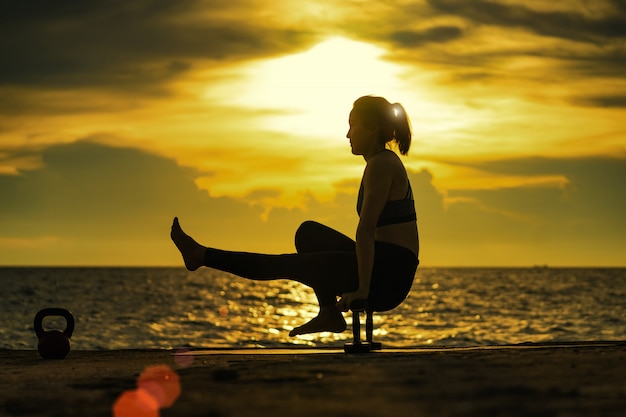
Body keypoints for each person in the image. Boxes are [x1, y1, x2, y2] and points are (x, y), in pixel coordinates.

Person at [171, 95, 419, 337]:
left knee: (287, 265)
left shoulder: (382, 165)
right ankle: (329, 312)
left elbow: (365, 231)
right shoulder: (378, 163)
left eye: (353, 126)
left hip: (390, 275)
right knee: (308, 233)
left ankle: (202, 255)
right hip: (384, 263)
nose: (347, 135)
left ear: (373, 128)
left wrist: (363, 290)